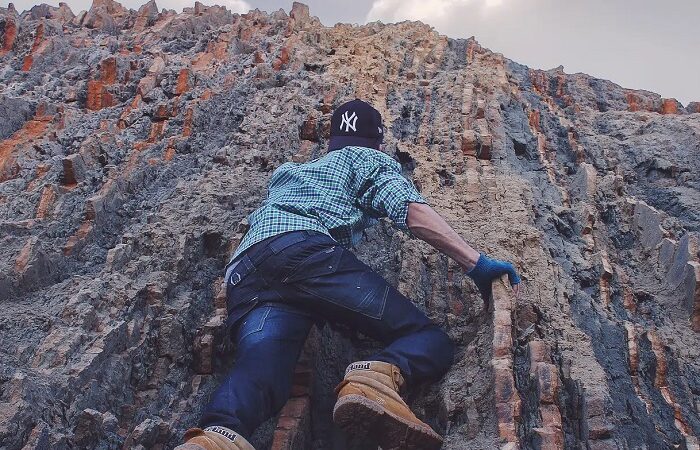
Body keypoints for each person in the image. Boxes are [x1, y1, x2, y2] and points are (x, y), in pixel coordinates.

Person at [176, 99, 521, 450]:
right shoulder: (367, 158)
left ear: (333, 140)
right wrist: (475, 263)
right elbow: (409, 209)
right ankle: (372, 380)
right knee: (426, 338)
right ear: (378, 141)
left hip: (245, 271)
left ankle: (214, 438)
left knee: (264, 371)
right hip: (303, 253)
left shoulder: (292, 173)